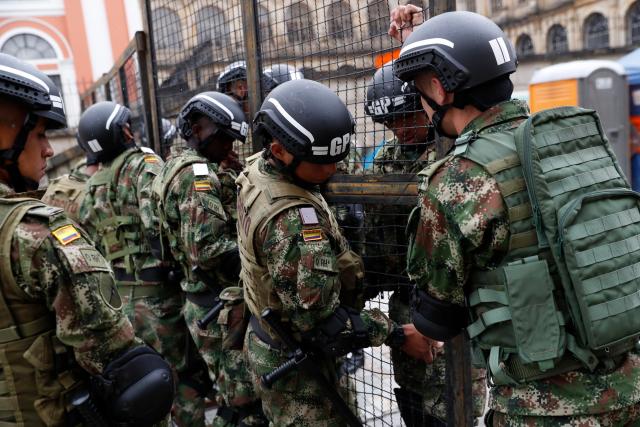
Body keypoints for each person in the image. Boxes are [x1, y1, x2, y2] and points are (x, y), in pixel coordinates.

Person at [391, 6, 640, 426]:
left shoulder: (457, 178)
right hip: (630, 388)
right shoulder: (569, 140)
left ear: (439, 87)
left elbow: (436, 317)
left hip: (545, 407)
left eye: (419, 88)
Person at [237, 78, 438, 426]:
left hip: (270, 339)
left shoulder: (259, 170)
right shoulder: (295, 223)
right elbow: (321, 323)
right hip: (298, 367)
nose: (332, 171)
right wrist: (397, 334)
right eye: (322, 163)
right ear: (280, 149)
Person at [0, 52, 173, 426]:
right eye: (41, 134)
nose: (49, 149)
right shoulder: (36, 235)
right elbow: (119, 362)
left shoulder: (88, 188)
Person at [362, 60, 486, 426]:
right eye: (390, 123)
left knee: (455, 408)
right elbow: (375, 236)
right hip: (407, 306)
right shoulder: (385, 160)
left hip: (456, 308)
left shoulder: (454, 151)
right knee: (414, 404)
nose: (398, 130)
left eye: (405, 118)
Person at [153, 91, 266, 426]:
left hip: (202, 301)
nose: (230, 149)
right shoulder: (197, 174)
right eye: (225, 140)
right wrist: (259, 258)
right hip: (216, 307)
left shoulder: (175, 165)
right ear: (200, 130)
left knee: (232, 395)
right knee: (242, 405)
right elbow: (209, 249)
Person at [75, 101, 188, 425]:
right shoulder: (144, 164)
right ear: (121, 132)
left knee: (145, 385)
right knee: (179, 383)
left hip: (121, 301)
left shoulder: (93, 183)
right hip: (158, 298)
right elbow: (160, 226)